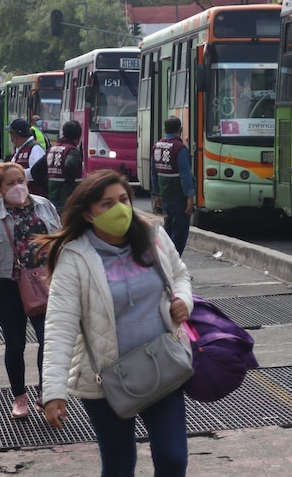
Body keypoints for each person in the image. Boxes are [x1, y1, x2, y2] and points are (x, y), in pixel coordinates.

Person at [39, 170, 193, 476]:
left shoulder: (153, 235)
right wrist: (54, 392)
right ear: (88, 214)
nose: (119, 209)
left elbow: (180, 274)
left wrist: (182, 302)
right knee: (119, 465)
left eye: (123, 200)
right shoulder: (75, 258)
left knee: (173, 458)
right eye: (107, 204)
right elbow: (59, 326)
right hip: (106, 381)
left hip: (163, 365)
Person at [0, 162, 60, 419]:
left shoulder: (45, 206)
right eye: (10, 183)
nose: (17, 187)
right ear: (0, 188)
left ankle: (46, 394)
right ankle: (19, 397)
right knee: (15, 345)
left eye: (20, 180)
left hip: (44, 285)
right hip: (7, 288)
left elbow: (61, 241)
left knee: (49, 341)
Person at [150, 116, 196, 255]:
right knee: (179, 233)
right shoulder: (179, 148)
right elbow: (185, 174)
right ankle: (174, 264)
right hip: (178, 195)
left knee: (168, 231)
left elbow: (154, 173)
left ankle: (166, 263)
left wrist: (156, 193)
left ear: (165, 129)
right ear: (180, 130)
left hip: (165, 196)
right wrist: (190, 196)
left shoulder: (157, 146)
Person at [45, 120, 83, 211]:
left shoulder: (52, 149)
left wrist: (45, 187)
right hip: (66, 198)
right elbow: (70, 166)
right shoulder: (72, 150)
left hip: (52, 194)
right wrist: (70, 187)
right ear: (78, 136)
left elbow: (36, 170)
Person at [7, 118, 47, 196]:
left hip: (34, 196)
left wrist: (16, 174)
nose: (10, 138)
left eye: (10, 134)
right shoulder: (21, 149)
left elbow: (36, 172)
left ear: (15, 135)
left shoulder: (34, 149)